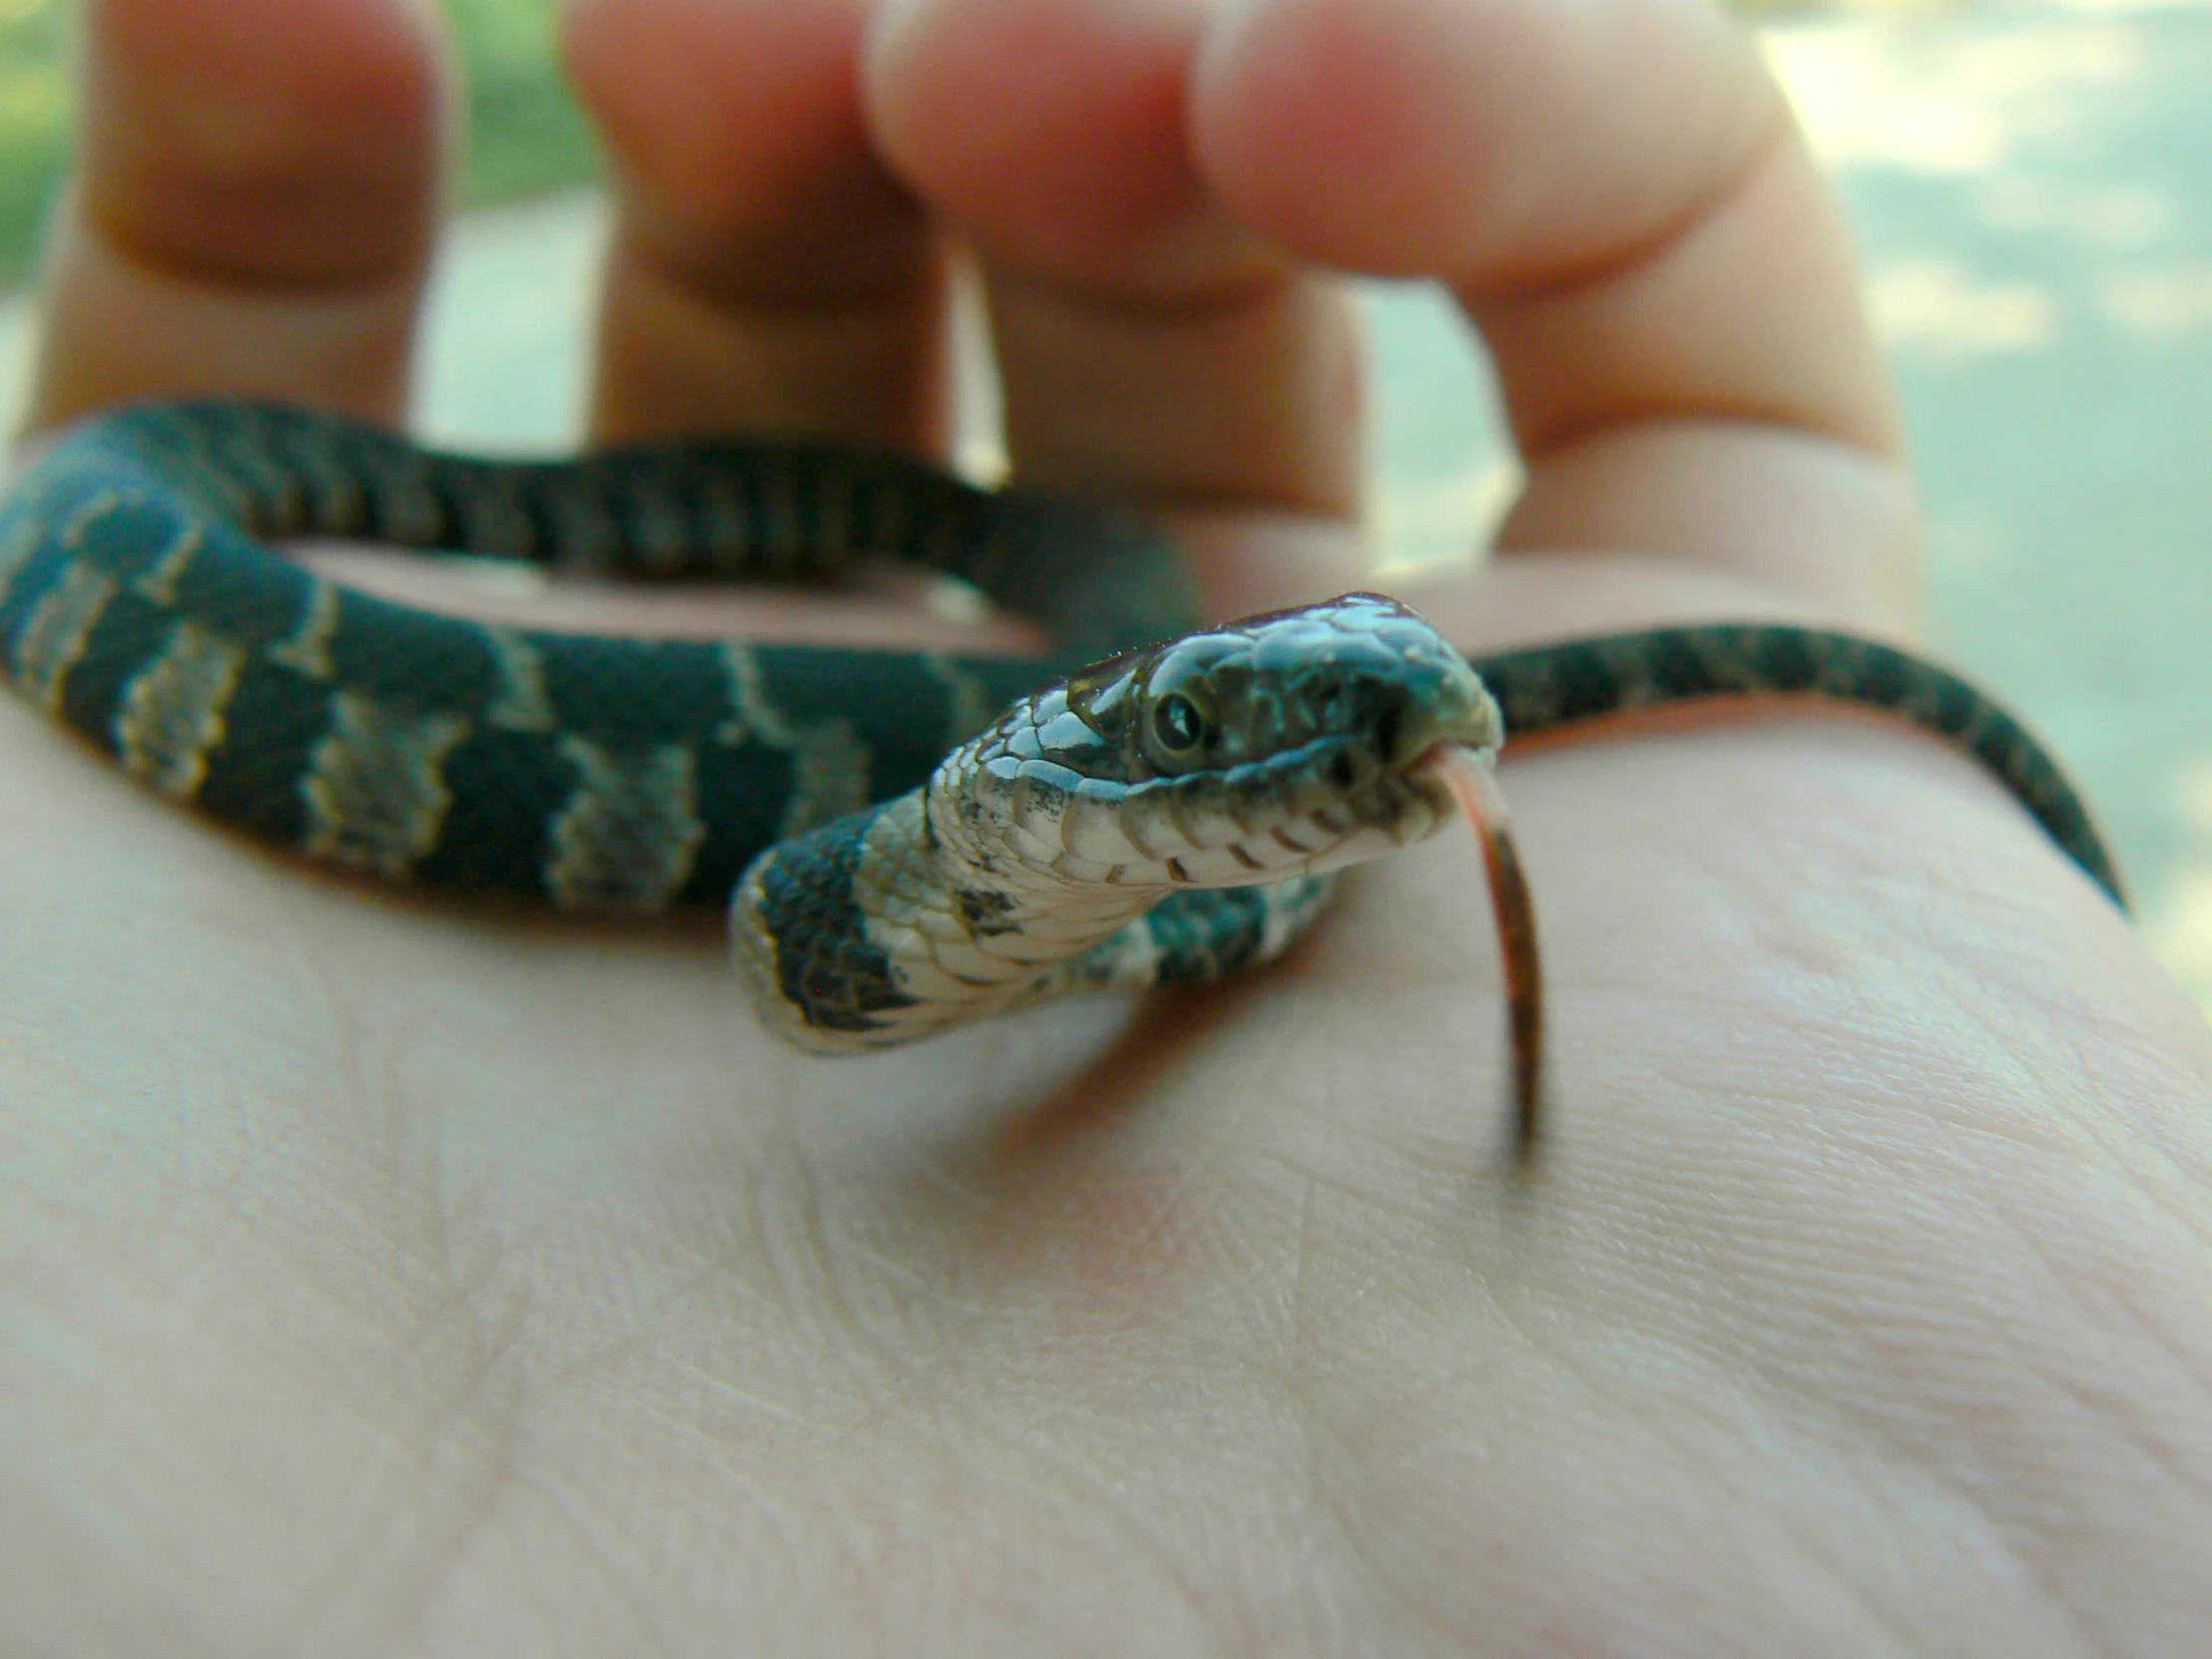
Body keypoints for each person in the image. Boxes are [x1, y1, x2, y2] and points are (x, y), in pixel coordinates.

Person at [5, 0, 2207, 1649]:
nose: (1398, 735)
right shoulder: (974, 829)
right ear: (1085, 754)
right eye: (1220, 720)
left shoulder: (1149, 834)